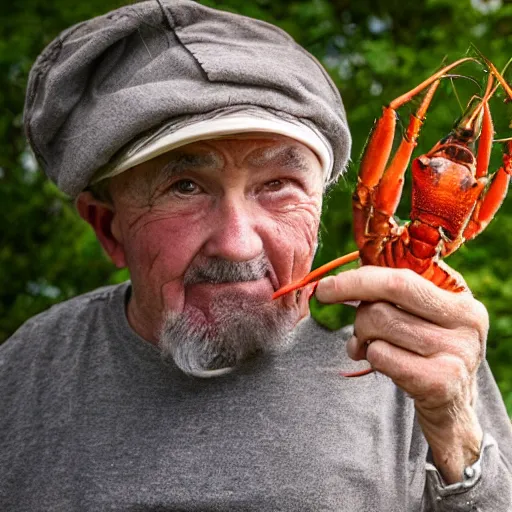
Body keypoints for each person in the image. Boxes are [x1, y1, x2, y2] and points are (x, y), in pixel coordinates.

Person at [1, 0, 511, 510]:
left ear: (316, 213)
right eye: (184, 187)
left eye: (278, 185)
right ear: (108, 228)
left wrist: (455, 431)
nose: (238, 242)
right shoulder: (23, 376)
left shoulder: (425, 353)